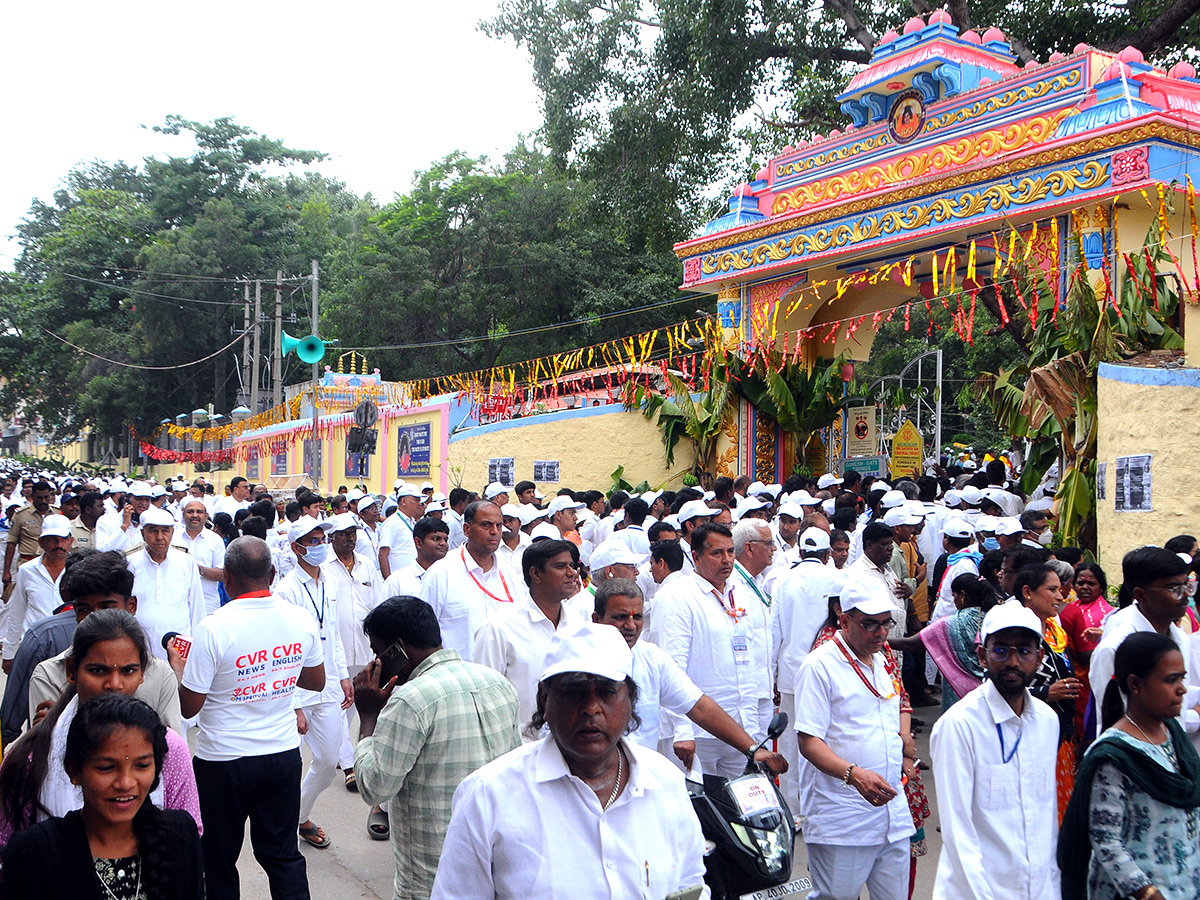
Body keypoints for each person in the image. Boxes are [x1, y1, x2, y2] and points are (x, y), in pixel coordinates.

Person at [430, 620, 708, 899]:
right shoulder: (489, 795)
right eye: (574, 692)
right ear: (545, 699)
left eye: (607, 692)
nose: (591, 709)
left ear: (629, 698)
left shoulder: (666, 783)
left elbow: (692, 886)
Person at [173, 535, 325, 900]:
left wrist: (181, 668)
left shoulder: (214, 627)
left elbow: (189, 706)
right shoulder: (299, 619)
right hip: (282, 756)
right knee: (283, 855)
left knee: (218, 859)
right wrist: (277, 670)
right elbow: (315, 680)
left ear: (226, 577)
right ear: (273, 573)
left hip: (223, 761)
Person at [352, 597, 521, 900]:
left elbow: (375, 788)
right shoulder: (498, 683)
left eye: (379, 651)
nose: (376, 661)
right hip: (492, 861)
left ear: (398, 649)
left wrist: (368, 717)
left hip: (431, 875)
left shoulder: (410, 701)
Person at [0, 610, 201, 843]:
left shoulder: (169, 749)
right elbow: (8, 852)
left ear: (142, 673)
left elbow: (188, 836)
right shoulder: (30, 756)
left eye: (128, 671)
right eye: (98, 670)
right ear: (72, 671)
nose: (114, 684)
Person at [0, 695, 204, 900]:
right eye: (106, 768)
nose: (125, 783)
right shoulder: (37, 851)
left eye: (142, 766)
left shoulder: (180, 836)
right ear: (74, 771)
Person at [794, 576, 915, 900]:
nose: (880, 633)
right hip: (843, 818)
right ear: (844, 619)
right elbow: (809, 741)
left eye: (885, 623)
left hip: (891, 813)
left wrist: (903, 754)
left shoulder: (880, 661)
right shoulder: (819, 666)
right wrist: (853, 774)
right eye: (870, 625)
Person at [930, 602, 1061, 899]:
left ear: (1039, 658)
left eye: (1024, 651)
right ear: (982, 655)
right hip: (977, 892)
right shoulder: (959, 726)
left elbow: (1046, 819)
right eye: (1001, 650)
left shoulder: (1046, 721)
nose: (1013, 661)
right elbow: (957, 832)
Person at [592, 578, 784, 776]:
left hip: (641, 780)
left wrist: (752, 749)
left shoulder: (652, 658)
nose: (631, 625)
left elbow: (699, 706)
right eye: (621, 617)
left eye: (638, 617)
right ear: (597, 619)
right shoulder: (579, 665)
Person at [1059, 632, 1200, 900]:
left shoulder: (1174, 735)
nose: (1182, 688)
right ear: (1135, 684)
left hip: (1186, 885)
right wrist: (1148, 894)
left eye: (1181, 678)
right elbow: (1106, 841)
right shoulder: (1114, 755)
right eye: (1170, 680)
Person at [656, 522, 771, 777]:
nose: (727, 560)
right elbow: (673, 668)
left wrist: (753, 724)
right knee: (699, 812)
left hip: (741, 727)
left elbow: (752, 659)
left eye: (730, 552)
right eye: (717, 553)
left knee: (736, 809)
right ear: (695, 557)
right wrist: (682, 729)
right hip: (699, 733)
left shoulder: (739, 592)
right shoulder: (679, 596)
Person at [274, 515, 353, 850]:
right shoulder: (286, 590)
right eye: (314, 541)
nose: (320, 546)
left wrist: (345, 675)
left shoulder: (329, 583)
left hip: (329, 682)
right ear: (297, 547)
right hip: (296, 689)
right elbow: (284, 650)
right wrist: (293, 706)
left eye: (322, 539)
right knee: (288, 764)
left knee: (327, 760)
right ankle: (291, 823)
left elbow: (331, 633)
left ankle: (293, 815)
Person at [474, 538, 586, 734]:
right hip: (519, 747)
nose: (571, 573)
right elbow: (485, 701)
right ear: (536, 574)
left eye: (572, 565)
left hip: (570, 744)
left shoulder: (576, 622)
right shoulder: (500, 628)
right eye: (561, 566)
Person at [1013, 563, 1081, 818]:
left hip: (1060, 730)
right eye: (1052, 590)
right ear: (1028, 592)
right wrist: (1045, 693)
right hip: (1029, 735)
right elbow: (997, 688)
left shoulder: (1053, 629)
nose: (1060, 596)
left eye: (1060, 589)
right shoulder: (1016, 634)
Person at [322, 512, 384, 794]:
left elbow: (378, 604)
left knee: (360, 705)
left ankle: (343, 752)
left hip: (366, 647)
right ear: (331, 537)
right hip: (336, 649)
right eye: (344, 534)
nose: (350, 538)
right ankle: (349, 766)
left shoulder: (367, 565)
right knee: (340, 705)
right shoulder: (323, 568)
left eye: (353, 533)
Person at [419, 501, 517, 662]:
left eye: (498, 526)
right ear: (466, 529)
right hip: (455, 680)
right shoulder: (441, 573)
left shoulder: (510, 576)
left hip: (501, 680)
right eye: (486, 525)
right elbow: (423, 634)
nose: (494, 532)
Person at [126, 506, 206, 659]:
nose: (159, 537)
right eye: (153, 531)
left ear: (172, 533)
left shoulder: (186, 561)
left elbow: (197, 606)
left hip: (178, 648)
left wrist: (198, 647)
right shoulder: (130, 563)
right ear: (143, 534)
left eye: (165, 531)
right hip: (139, 647)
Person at [917, 573, 997, 710]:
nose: (954, 600)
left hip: (958, 693)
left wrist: (884, 641)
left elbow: (914, 642)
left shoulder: (953, 622)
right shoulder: (993, 617)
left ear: (963, 595)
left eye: (954, 596)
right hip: (988, 690)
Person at [4, 514, 73, 671]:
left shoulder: (78, 570)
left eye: (63, 539)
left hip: (69, 646)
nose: (59, 545)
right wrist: (9, 653)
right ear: (41, 542)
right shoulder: (27, 571)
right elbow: (17, 613)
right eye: (52, 540)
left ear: (71, 541)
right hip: (35, 647)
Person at [175, 498, 226, 615]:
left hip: (206, 601)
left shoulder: (215, 540)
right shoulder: (174, 537)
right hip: (178, 599)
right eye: (190, 512)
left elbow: (222, 574)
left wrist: (198, 569)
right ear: (183, 514)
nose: (194, 515)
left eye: (199, 512)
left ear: (206, 516)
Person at [378, 483, 425, 578]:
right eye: (416, 500)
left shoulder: (413, 522)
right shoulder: (392, 522)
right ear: (403, 501)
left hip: (413, 578)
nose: (419, 503)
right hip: (397, 579)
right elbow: (383, 554)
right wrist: (389, 581)